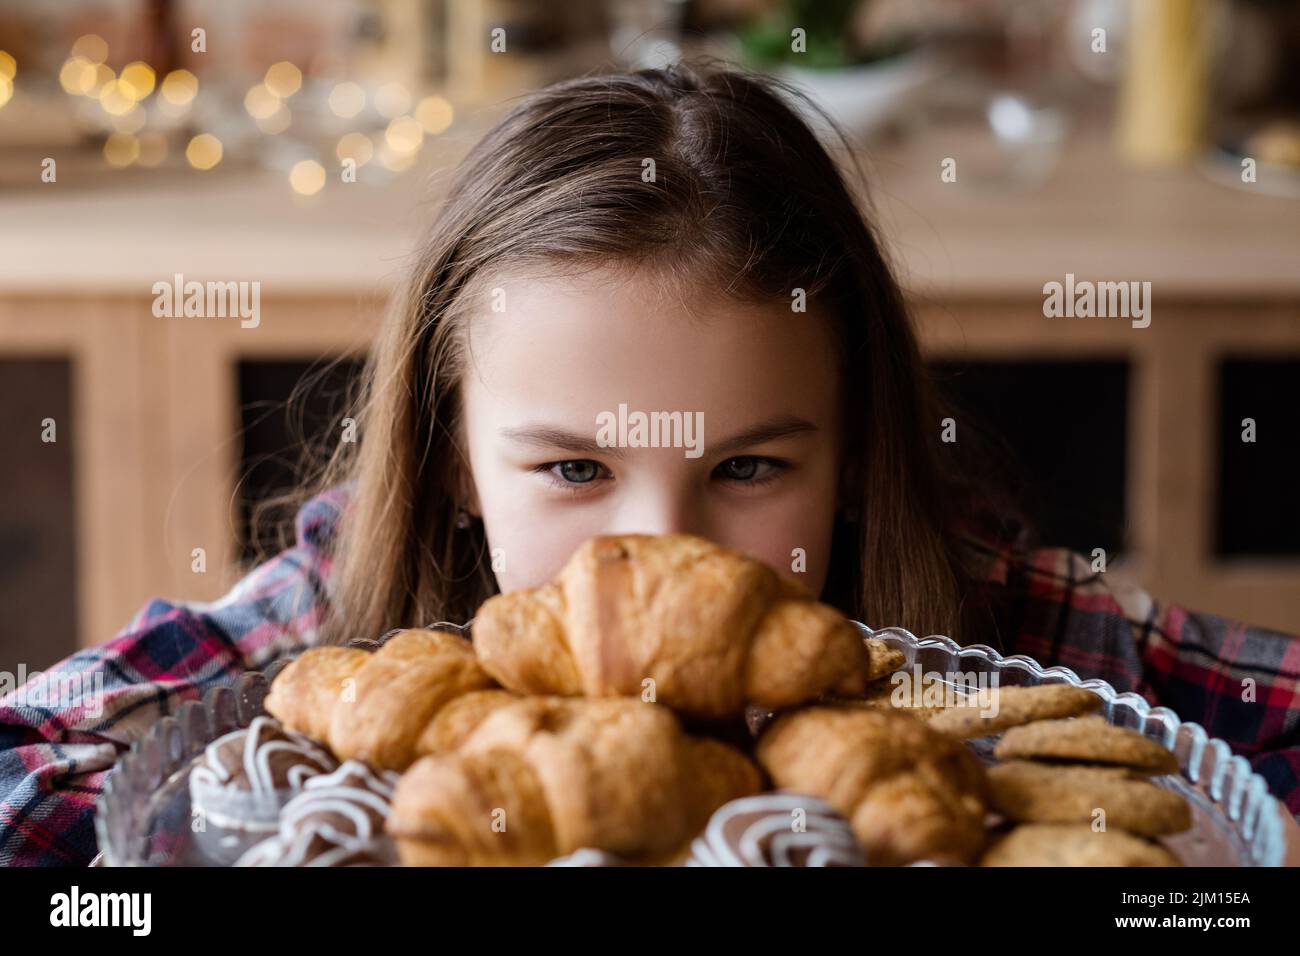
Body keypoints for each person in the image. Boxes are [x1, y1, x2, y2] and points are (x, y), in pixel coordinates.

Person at [2, 60, 1296, 866]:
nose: (668, 553)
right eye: (572, 471)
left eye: (748, 470)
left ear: (852, 456)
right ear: (453, 457)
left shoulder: (978, 630)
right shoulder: (340, 640)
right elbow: (27, 766)